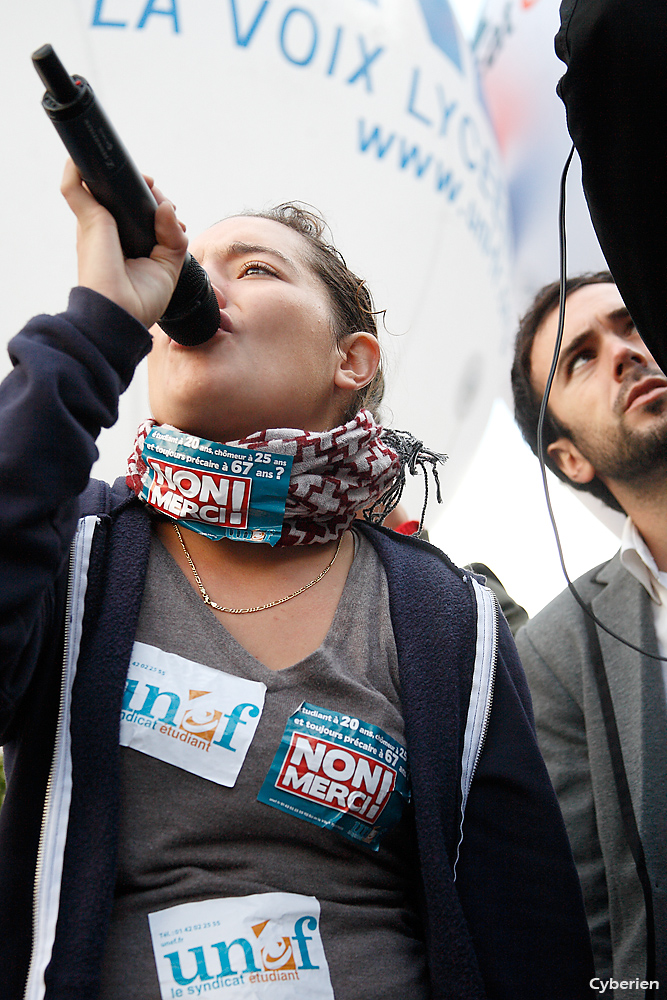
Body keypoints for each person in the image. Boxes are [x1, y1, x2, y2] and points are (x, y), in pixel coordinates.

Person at [0, 160, 594, 1000]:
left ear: (350, 360)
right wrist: (95, 328)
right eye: (193, 272)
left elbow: (527, 932)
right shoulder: (79, 556)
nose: (195, 289)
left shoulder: (445, 616)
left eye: (254, 268)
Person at [511, 271, 667, 995]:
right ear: (570, 459)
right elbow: (593, 932)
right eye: (581, 357)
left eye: (633, 323)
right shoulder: (555, 653)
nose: (623, 353)